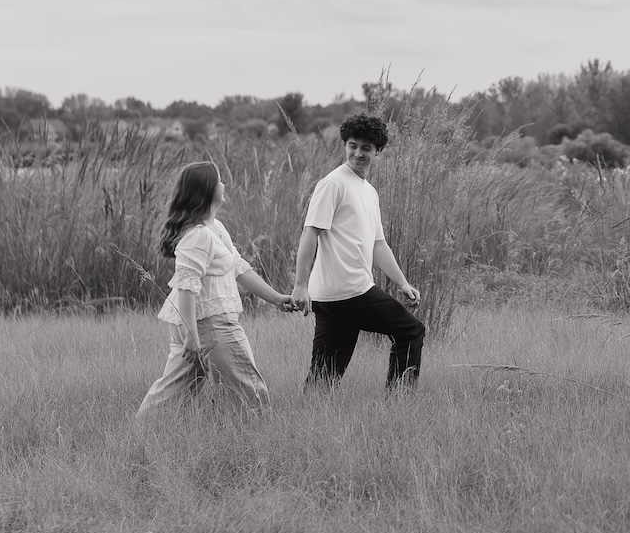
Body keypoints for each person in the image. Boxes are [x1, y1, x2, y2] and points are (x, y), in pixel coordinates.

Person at [138, 161, 297, 415]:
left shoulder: (216, 228)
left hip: (201, 322)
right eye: (220, 180)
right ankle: (255, 440)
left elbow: (238, 268)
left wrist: (275, 298)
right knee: (249, 389)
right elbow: (187, 286)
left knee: (174, 390)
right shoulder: (198, 235)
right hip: (209, 322)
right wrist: (192, 334)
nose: (224, 184)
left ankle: (145, 430)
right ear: (208, 190)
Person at [291, 113, 426, 388]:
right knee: (411, 330)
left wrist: (402, 282)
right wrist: (300, 285)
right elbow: (311, 232)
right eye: (353, 145)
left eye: (366, 148)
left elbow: (378, 244)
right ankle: (400, 401)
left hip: (332, 297)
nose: (358, 153)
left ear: (377, 151)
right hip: (349, 290)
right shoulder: (332, 183)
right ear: (345, 145)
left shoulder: (368, 191)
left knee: (324, 376)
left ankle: (311, 414)